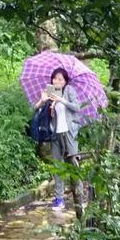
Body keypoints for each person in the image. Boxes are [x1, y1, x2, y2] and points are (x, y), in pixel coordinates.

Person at [35, 68, 84, 215]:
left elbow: (77, 107)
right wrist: (43, 101)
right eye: (55, 79)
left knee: (74, 166)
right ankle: (59, 198)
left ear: (65, 81)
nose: (57, 81)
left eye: (60, 79)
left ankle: (79, 199)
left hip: (69, 134)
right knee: (58, 168)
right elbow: (35, 109)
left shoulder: (69, 90)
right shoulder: (50, 93)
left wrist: (61, 100)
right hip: (56, 134)